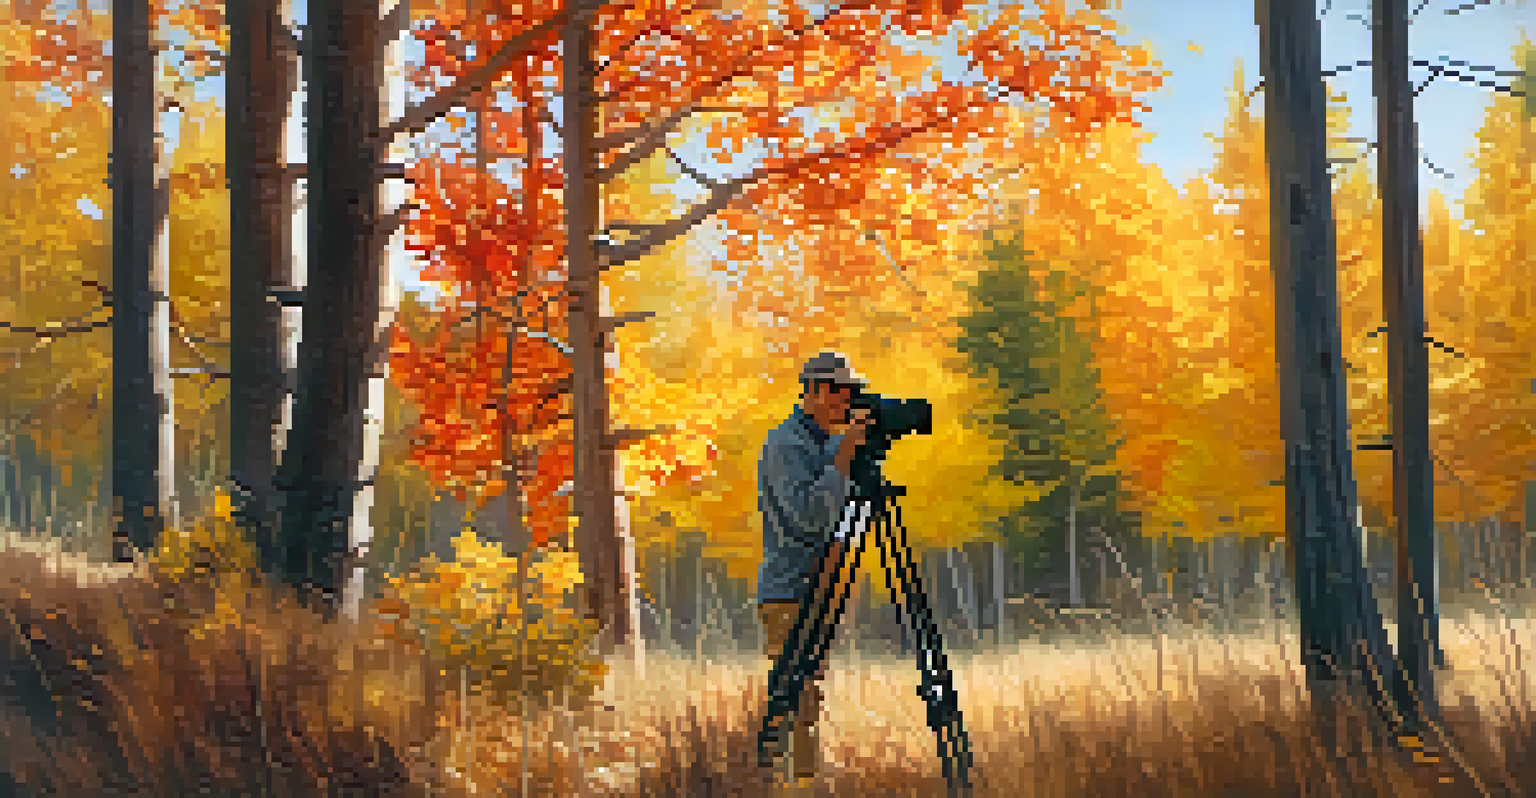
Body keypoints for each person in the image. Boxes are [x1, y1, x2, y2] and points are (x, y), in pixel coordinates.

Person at [756, 351, 876, 782]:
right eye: (843, 391)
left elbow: (849, 517)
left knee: (808, 697)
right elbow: (809, 514)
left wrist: (854, 459)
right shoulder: (785, 445)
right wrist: (844, 455)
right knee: (797, 699)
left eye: (852, 392)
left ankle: (800, 782)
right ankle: (790, 785)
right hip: (790, 590)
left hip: (820, 586)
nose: (849, 400)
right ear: (816, 391)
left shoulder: (825, 443)